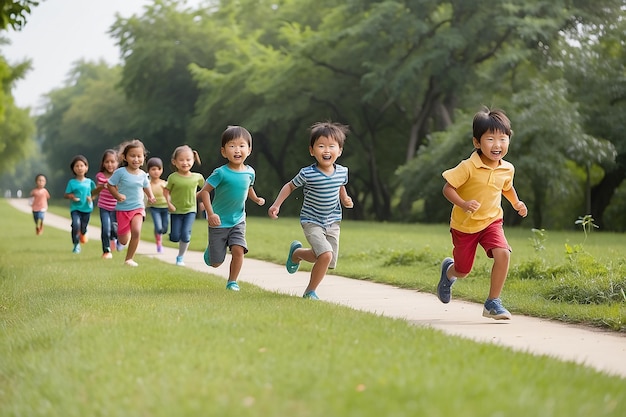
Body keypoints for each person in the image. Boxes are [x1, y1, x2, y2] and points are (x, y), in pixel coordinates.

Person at [438, 107, 528, 320]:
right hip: (465, 225)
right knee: (463, 271)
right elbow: (447, 188)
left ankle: (492, 302)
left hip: (492, 221)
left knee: (503, 253)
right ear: (477, 143)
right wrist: (463, 203)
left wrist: (516, 203)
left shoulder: (507, 168)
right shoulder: (468, 166)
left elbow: (506, 186)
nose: (497, 145)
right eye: (490, 139)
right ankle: (449, 272)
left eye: (503, 139)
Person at [268, 121, 353, 300]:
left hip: (333, 221)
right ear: (312, 150)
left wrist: (344, 199)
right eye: (321, 146)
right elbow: (289, 186)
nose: (326, 150)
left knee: (324, 257)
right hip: (311, 220)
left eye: (331, 146)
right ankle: (310, 292)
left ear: (340, 151)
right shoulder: (308, 173)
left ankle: (297, 253)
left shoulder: (342, 172)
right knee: (325, 254)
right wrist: (276, 205)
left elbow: (340, 185)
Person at [199, 126, 265, 291]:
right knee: (216, 263)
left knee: (238, 250)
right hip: (218, 221)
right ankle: (212, 252)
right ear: (223, 151)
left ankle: (232, 282)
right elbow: (204, 192)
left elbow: (248, 187)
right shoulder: (220, 173)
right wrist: (210, 213)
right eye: (232, 146)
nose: (237, 150)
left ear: (249, 150)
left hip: (238, 220)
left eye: (242, 146)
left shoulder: (250, 172)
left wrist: (255, 198)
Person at [107, 139, 156, 267]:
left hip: (138, 207)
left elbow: (146, 186)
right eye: (132, 156)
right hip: (122, 209)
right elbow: (110, 185)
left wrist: (150, 196)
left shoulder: (143, 175)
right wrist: (117, 195)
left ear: (143, 157)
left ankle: (129, 259)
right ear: (125, 157)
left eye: (139, 156)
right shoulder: (120, 173)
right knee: (123, 241)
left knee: (136, 231)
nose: (136, 159)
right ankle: (118, 230)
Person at [163, 146, 205, 266]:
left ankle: (180, 257)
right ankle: (174, 235)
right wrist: (169, 203)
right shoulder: (173, 177)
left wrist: (201, 201)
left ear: (193, 160)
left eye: (188, 160)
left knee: (185, 235)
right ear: (174, 162)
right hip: (176, 210)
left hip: (190, 210)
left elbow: (205, 190)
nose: (185, 163)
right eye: (181, 160)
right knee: (175, 237)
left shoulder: (197, 177)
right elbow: (166, 191)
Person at [64, 155, 96, 254]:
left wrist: (91, 198)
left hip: (87, 208)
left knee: (83, 227)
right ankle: (76, 245)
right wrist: (71, 197)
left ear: (86, 168)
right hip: (75, 208)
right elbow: (66, 194)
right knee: (75, 225)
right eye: (77, 166)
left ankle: (83, 232)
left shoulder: (89, 182)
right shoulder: (72, 182)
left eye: (82, 165)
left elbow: (95, 193)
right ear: (73, 169)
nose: (79, 168)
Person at [92, 149, 119, 259]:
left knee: (115, 229)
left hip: (117, 207)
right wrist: (102, 186)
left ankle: (114, 239)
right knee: (105, 228)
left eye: (113, 162)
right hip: (104, 207)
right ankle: (106, 250)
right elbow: (95, 191)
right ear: (103, 163)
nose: (110, 164)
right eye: (107, 162)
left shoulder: (120, 176)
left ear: (117, 163)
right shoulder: (100, 176)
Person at [146, 157, 169, 253]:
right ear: (149, 171)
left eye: (158, 169)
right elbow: (145, 196)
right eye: (153, 169)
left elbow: (170, 195)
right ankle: (159, 242)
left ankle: (160, 235)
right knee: (158, 227)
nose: (156, 172)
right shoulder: (147, 184)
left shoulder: (165, 184)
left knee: (164, 228)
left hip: (166, 208)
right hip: (155, 208)